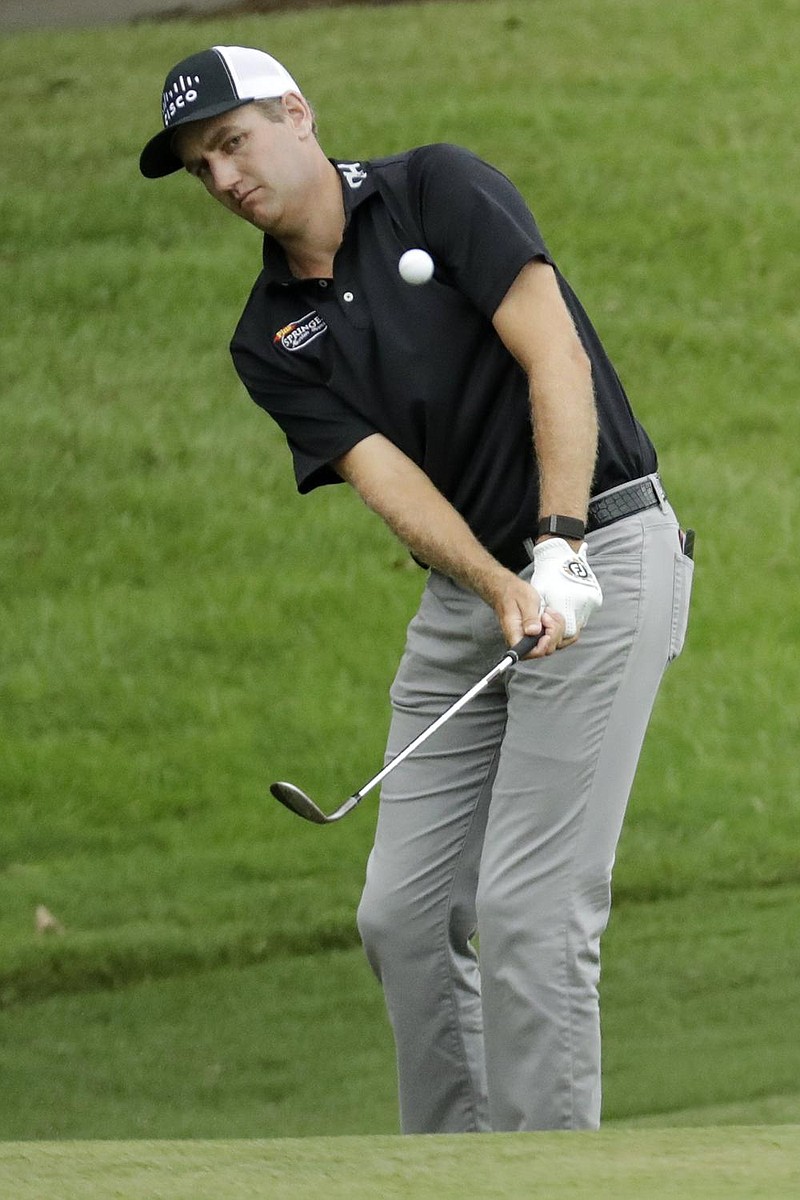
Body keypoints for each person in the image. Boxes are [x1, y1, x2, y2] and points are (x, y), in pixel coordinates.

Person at [140, 45, 694, 1133]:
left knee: (530, 910)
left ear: (296, 112)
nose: (224, 179)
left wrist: (560, 544)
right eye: (202, 167)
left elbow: (556, 361)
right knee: (399, 914)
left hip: (604, 549)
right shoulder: (270, 338)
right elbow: (386, 480)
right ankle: (449, 1169)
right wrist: (497, 583)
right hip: (472, 595)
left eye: (233, 142)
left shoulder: (438, 187)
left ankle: (545, 1178)